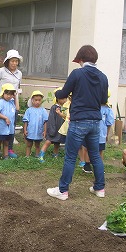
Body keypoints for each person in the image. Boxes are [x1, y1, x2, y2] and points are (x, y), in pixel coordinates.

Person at [47, 45, 108, 200]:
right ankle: (99, 188)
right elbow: (103, 100)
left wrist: (57, 93)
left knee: (70, 156)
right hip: (95, 121)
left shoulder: (77, 73)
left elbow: (63, 93)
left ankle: (62, 191)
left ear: (81, 59)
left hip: (79, 120)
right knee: (95, 155)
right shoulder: (103, 77)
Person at [0, 49, 23, 157]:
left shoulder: (19, 74)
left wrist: (16, 103)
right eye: (12, 61)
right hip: (1, 102)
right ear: (7, 61)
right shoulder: (1, 71)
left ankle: (9, 150)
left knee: (11, 127)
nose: (14, 63)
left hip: (12, 103)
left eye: (16, 61)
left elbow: (17, 89)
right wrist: (0, 96)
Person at [81, 90, 114, 173]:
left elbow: (109, 123)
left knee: (89, 149)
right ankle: (92, 166)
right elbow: (109, 123)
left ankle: (90, 165)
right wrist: (106, 134)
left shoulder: (97, 107)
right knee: (97, 150)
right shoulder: (107, 109)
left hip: (93, 132)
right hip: (99, 134)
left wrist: (106, 134)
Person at [40, 89, 68, 161]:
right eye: (63, 98)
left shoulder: (65, 108)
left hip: (60, 129)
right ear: (58, 99)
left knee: (57, 143)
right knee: (48, 141)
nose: (65, 100)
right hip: (54, 129)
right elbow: (51, 119)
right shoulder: (54, 107)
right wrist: (52, 129)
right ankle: (41, 155)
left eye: (66, 98)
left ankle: (55, 155)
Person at [0, 83, 17, 159]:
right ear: (3, 93)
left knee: (6, 143)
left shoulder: (12, 102)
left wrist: (15, 97)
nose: (9, 96)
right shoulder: (0, 102)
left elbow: (17, 108)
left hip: (9, 129)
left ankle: (5, 156)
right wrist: (5, 118)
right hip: (0, 128)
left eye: (11, 94)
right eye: (7, 94)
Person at [22, 90, 48, 160]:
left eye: (39, 100)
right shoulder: (29, 110)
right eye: (35, 100)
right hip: (30, 131)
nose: (37, 102)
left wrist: (45, 131)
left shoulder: (43, 110)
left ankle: (37, 156)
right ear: (32, 100)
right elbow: (26, 121)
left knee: (37, 145)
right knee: (29, 144)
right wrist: (25, 130)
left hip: (39, 131)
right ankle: (27, 156)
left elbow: (45, 121)